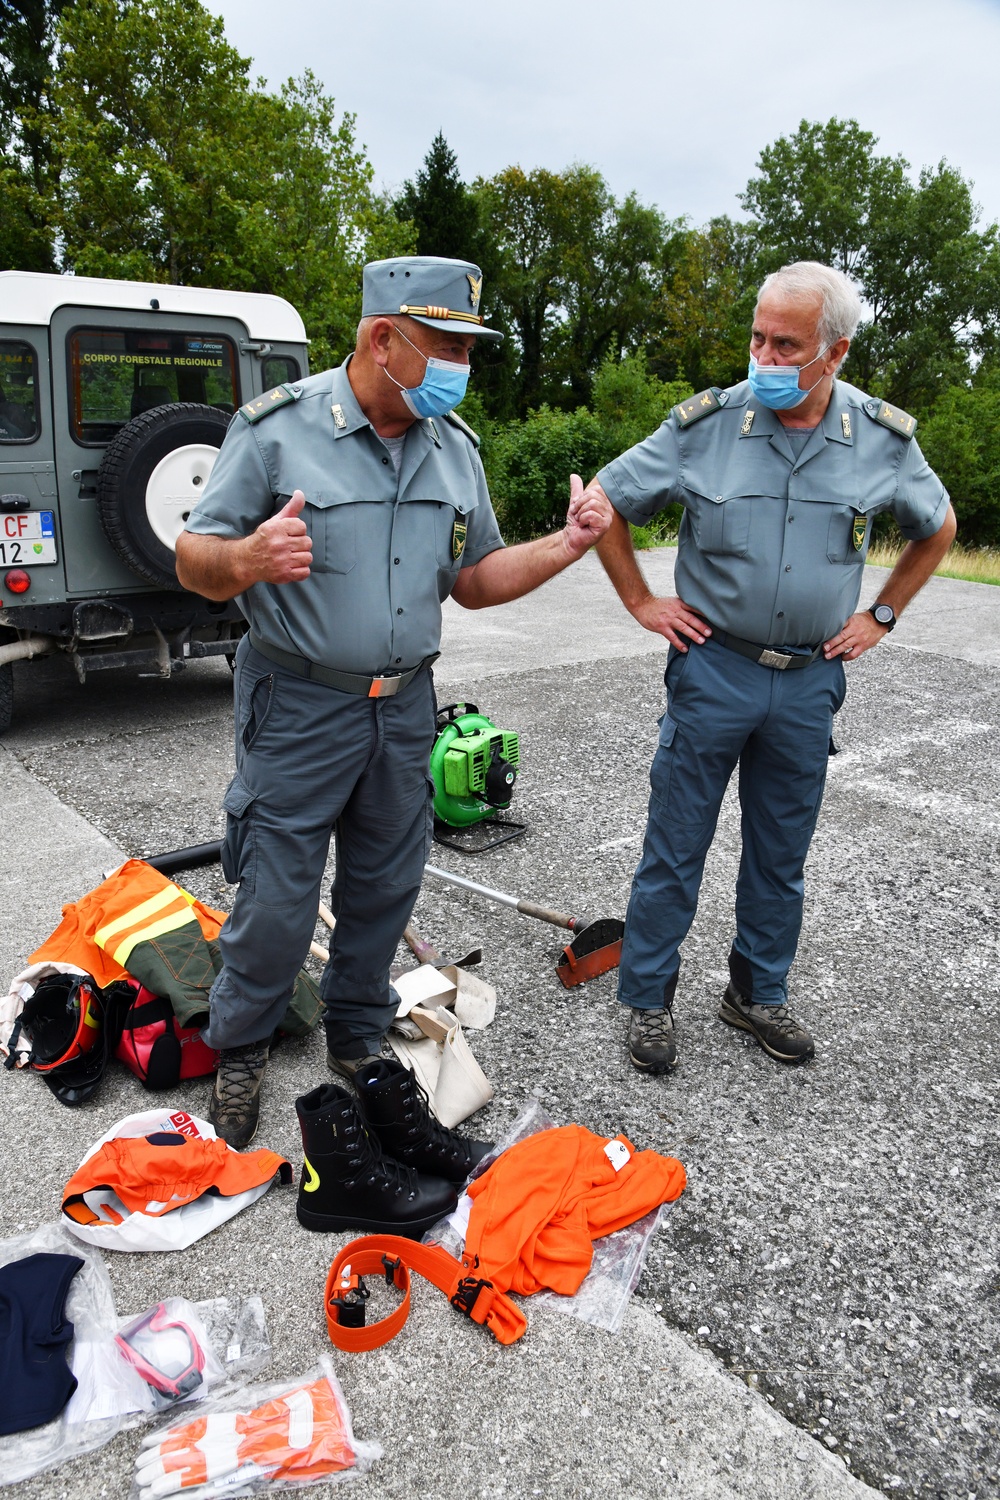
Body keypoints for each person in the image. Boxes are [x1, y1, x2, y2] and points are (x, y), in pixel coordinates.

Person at [175, 255, 612, 1146]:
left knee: (383, 882)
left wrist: (564, 547)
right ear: (385, 338)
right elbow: (193, 559)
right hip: (298, 700)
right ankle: (244, 1044)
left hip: (406, 703)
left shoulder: (453, 449)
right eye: (447, 345)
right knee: (277, 892)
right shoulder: (273, 433)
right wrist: (247, 560)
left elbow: (476, 578)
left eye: (466, 347)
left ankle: (357, 1034)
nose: (462, 366)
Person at [588, 261, 956, 1075]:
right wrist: (642, 602)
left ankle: (756, 994)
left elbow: (938, 527)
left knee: (780, 852)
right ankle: (648, 999)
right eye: (758, 336)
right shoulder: (707, 425)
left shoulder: (884, 440)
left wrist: (882, 613)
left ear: (836, 354)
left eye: (785, 344)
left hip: (808, 679)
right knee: (675, 845)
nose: (763, 355)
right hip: (713, 668)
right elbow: (607, 503)